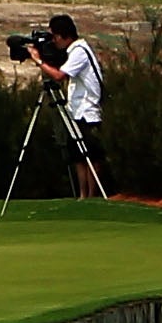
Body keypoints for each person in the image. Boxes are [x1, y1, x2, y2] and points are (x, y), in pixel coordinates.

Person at [42, 11, 109, 197]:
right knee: (78, 157)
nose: (54, 41)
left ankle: (91, 195)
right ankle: (82, 195)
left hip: (88, 112)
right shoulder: (75, 52)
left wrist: (38, 60)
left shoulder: (79, 52)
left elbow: (59, 76)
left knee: (90, 156)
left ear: (64, 35)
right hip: (77, 112)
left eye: (55, 36)